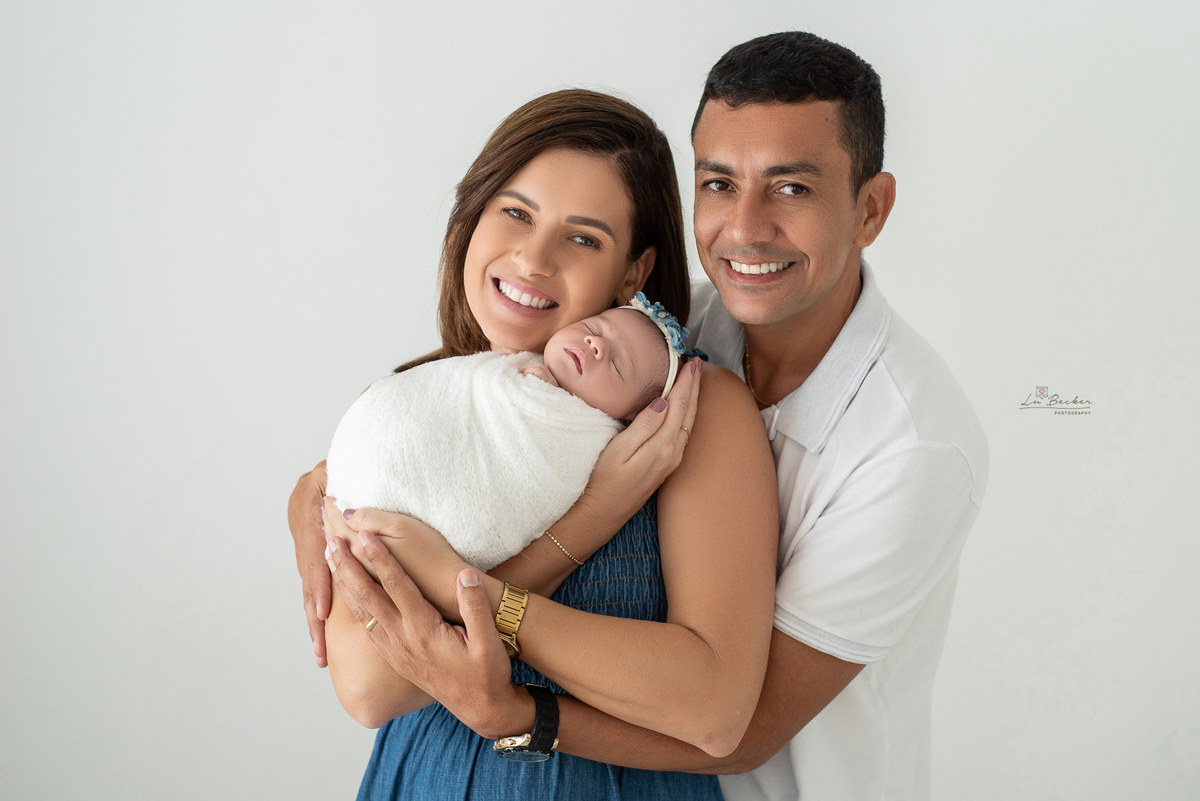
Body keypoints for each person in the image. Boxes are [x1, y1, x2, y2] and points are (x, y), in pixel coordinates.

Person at [320, 32, 990, 801]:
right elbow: (368, 686)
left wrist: (511, 703)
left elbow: (734, 723)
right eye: (719, 183)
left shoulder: (887, 441)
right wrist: (322, 485)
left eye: (791, 188)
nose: (744, 230)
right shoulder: (456, 389)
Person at [290, 88, 779, 798]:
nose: (533, 258)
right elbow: (370, 688)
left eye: (583, 238)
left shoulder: (684, 414)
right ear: (473, 216)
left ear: (634, 273)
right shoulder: (409, 408)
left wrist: (463, 592)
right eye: (516, 213)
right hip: (427, 776)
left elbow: (714, 707)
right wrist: (588, 520)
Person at [323, 294, 689, 576]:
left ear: (632, 417)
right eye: (594, 327)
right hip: (368, 481)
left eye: (617, 363)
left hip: (436, 536)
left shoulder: (597, 440)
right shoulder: (513, 360)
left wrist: (537, 394)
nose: (596, 344)